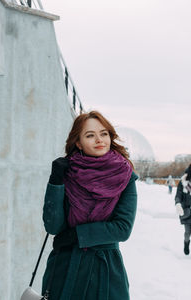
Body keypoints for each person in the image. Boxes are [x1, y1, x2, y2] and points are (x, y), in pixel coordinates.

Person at [42, 111, 138, 300]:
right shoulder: (67, 173)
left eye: (103, 133)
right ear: (78, 142)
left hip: (105, 271)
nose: (99, 140)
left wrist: (77, 235)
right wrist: (56, 183)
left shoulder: (125, 176)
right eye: (90, 135)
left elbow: (122, 229)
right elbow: (53, 226)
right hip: (65, 267)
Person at [175, 164, 191, 255]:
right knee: (187, 232)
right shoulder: (183, 183)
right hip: (187, 212)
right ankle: (186, 244)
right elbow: (178, 195)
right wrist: (178, 204)